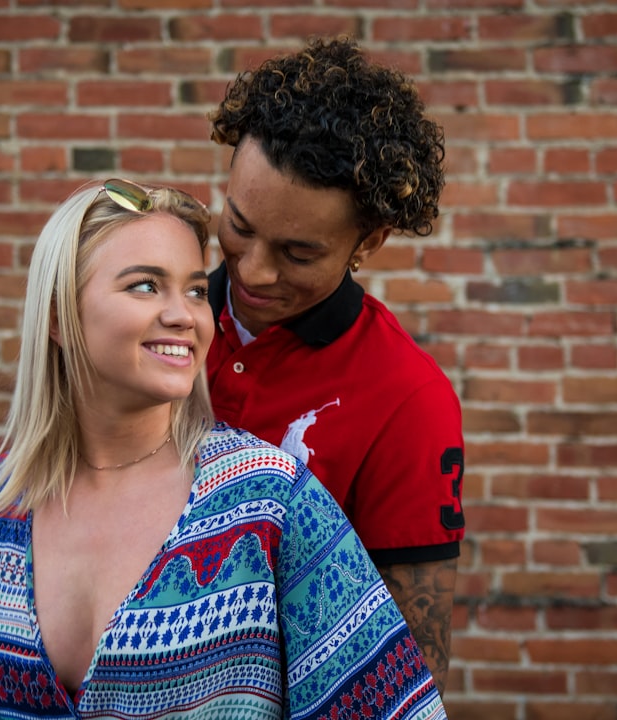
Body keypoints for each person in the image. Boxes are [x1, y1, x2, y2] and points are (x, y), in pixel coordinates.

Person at [0, 178, 446, 718]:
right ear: (57, 315)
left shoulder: (271, 503)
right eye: (145, 286)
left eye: (195, 289)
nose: (185, 315)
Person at [206, 36, 464, 694]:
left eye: (297, 253)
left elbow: (409, 667)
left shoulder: (409, 399)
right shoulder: (147, 327)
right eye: (238, 224)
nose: (253, 271)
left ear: (369, 241)